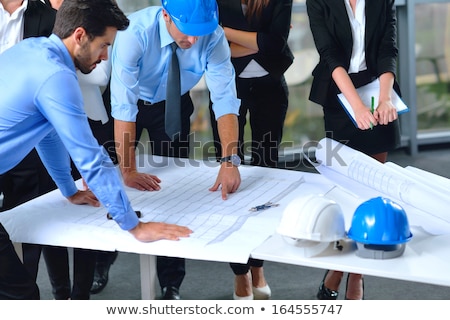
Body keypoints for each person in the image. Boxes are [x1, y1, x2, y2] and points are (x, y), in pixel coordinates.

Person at [0, 0, 191, 300]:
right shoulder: (56, 76)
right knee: (21, 296)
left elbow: (45, 135)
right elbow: (90, 158)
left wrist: (68, 189)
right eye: (104, 45)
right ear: (79, 36)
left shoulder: (35, 50)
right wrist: (134, 226)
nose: (105, 57)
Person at [110, 0, 241, 299]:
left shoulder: (214, 36)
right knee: (116, 183)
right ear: (166, 15)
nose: (194, 40)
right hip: (132, 104)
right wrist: (128, 169)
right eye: (188, 31)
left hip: (173, 105)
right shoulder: (134, 33)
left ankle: (172, 283)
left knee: (174, 192)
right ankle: (104, 258)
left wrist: (230, 159)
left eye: (201, 32)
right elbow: (123, 107)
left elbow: (224, 99)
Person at [306, 0, 401, 300]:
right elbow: (330, 55)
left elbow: (388, 49)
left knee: (373, 190)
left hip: (377, 89)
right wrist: (357, 106)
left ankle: (356, 274)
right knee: (346, 192)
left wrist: (385, 99)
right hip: (341, 94)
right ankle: (338, 267)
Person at [208, 0, 294, 300]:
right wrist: (260, 41)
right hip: (226, 90)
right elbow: (211, 43)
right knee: (230, 177)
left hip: (271, 89)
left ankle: (258, 266)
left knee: (266, 178)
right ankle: (240, 272)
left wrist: (226, 33)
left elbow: (276, 43)